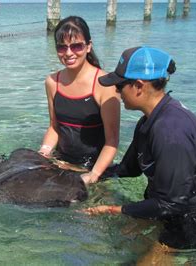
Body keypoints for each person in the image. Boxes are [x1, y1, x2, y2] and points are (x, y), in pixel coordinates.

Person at [80, 46, 196, 259]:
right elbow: (129, 169)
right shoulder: (148, 122)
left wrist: (114, 209)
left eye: (119, 86)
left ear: (138, 86)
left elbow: (171, 203)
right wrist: (87, 174)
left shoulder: (171, 131)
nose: (116, 92)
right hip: (171, 212)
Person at [38, 16, 120, 184]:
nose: (68, 53)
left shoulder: (106, 84)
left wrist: (94, 175)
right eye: (62, 47)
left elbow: (112, 140)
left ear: (88, 46)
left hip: (94, 167)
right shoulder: (52, 82)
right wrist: (43, 154)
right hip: (61, 162)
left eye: (76, 46)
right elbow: (54, 126)